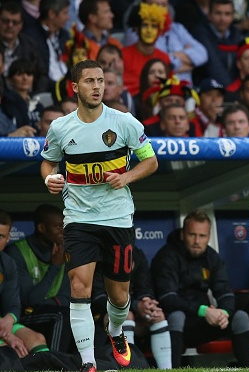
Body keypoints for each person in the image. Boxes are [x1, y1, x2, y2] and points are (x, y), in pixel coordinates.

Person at [40, 59, 159, 372]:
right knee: (79, 287)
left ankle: (116, 330)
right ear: (75, 87)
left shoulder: (125, 122)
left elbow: (151, 161)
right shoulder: (61, 127)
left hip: (117, 218)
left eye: (101, 81)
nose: (97, 87)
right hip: (78, 219)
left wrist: (127, 177)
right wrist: (49, 178)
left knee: (119, 296)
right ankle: (88, 363)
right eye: (90, 81)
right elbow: (47, 162)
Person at [151, 210, 249, 368]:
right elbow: (168, 299)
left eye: (202, 236)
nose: (197, 241)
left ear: (209, 237)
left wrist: (223, 313)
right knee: (177, 316)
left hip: (203, 322)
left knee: (240, 317)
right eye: (192, 235)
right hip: (175, 326)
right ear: (182, 235)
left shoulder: (211, 257)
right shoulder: (167, 256)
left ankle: (248, 369)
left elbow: (225, 291)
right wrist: (204, 311)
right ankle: (172, 369)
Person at [92, 245, 172, 369]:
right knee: (126, 315)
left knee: (157, 315)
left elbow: (144, 286)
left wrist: (146, 301)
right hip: (102, 315)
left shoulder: (137, 255)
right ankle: (130, 367)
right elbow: (98, 298)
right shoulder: (100, 257)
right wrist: (134, 305)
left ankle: (166, 369)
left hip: (134, 314)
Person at [5, 204, 71, 352]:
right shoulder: (18, 252)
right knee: (62, 315)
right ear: (42, 228)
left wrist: (48, 302)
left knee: (77, 312)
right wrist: (54, 267)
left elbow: (68, 296)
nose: (63, 231)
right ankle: (54, 362)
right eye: (58, 226)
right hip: (24, 314)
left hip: (54, 309)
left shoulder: (65, 251)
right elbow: (30, 300)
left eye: (64, 226)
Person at [0, 210, 50, 358]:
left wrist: (9, 320)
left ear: (8, 238)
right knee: (10, 351)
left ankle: (45, 367)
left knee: (37, 339)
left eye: (1, 236)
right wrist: (7, 337)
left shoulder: (7, 263)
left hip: (3, 324)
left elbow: (13, 303)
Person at [21, 0, 70, 94]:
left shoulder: (64, 36)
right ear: (52, 14)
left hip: (67, 88)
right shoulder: (31, 38)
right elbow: (39, 74)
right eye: (65, 13)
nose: (68, 17)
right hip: (45, 91)